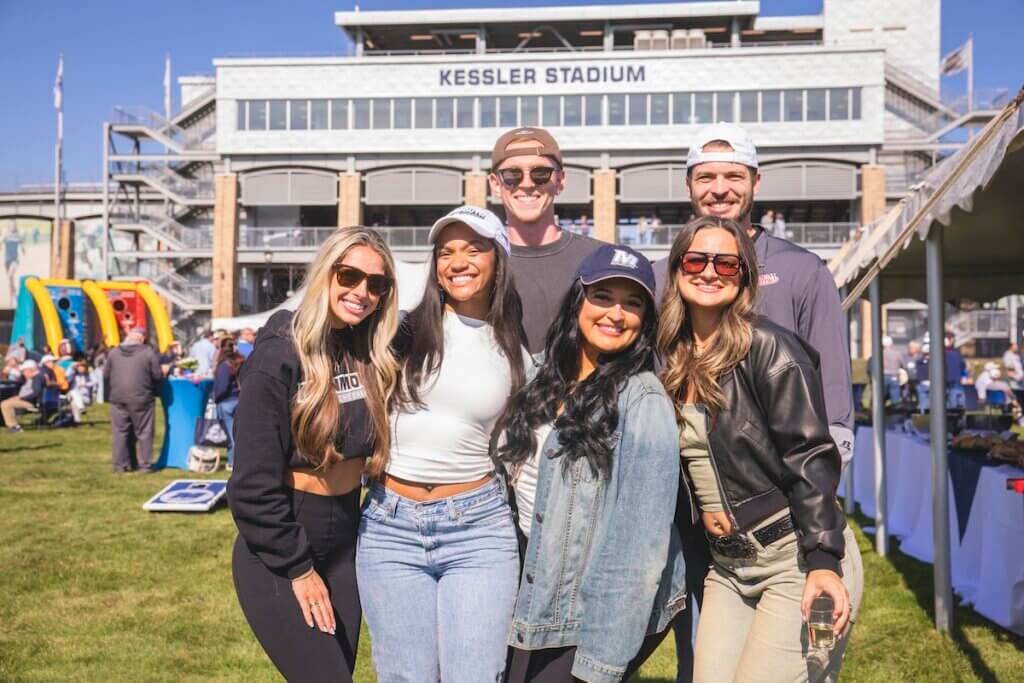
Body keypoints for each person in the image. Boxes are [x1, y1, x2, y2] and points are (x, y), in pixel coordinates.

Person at [654, 122, 855, 681]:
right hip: (723, 554)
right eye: (695, 263)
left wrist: (823, 551)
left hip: (791, 536)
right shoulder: (668, 342)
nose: (709, 271)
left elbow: (820, 438)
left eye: (733, 175)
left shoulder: (788, 303)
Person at [497, 244, 687, 682]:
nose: (616, 313)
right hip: (529, 582)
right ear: (578, 300)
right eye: (602, 296)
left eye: (632, 303)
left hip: (590, 601)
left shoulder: (643, 399)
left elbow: (638, 549)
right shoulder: (537, 374)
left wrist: (600, 663)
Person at [356, 206, 527, 682]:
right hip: (390, 527)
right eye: (446, 251)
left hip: (477, 529)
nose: (458, 261)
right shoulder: (399, 330)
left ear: (499, 261)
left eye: (474, 249)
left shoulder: (513, 348)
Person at [227, 227, 399, 683]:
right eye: (349, 275)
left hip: (346, 536)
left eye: (376, 284)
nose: (361, 292)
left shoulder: (365, 349)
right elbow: (250, 485)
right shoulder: (280, 348)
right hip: (283, 542)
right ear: (326, 272)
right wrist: (299, 569)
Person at [490, 126, 603, 353]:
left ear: (560, 180)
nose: (527, 184)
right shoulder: (478, 266)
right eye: (512, 175)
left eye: (540, 173)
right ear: (495, 184)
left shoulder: (600, 261)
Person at [104, 328, 164, 473]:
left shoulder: (113, 353)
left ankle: (120, 465)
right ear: (142, 339)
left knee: (120, 432)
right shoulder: (148, 353)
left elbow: (105, 374)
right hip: (142, 397)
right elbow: (157, 376)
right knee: (144, 432)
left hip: (118, 397)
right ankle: (145, 465)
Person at [212, 349, 244, 469]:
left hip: (226, 402)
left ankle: (233, 462)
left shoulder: (224, 366)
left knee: (231, 435)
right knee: (239, 433)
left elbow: (222, 387)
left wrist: (216, 398)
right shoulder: (240, 364)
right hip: (239, 400)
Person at [1, 360, 43, 432]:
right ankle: (9, 424)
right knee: (5, 402)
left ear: (30, 370)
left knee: (6, 404)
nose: (23, 373)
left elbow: (36, 393)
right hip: (24, 400)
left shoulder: (37, 379)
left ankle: (15, 427)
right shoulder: (31, 378)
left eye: (24, 371)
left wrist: (21, 397)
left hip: (30, 402)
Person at [880, 335, 903, 406]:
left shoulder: (879, 353)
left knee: (880, 396)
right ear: (891, 344)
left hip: (883, 376)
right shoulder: (897, 353)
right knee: (895, 397)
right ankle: (896, 413)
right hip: (894, 376)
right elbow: (902, 364)